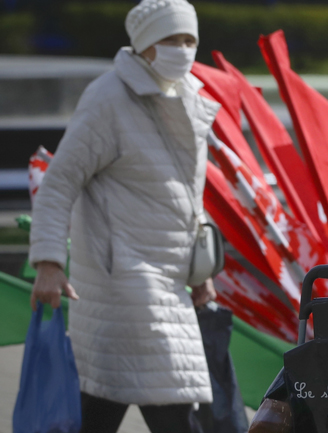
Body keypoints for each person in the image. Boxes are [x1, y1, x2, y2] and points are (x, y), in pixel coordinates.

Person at [27, 0, 219, 431]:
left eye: (190, 40)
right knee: (167, 397)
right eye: (171, 39)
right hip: (124, 283)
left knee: (104, 400)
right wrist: (49, 263)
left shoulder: (189, 96)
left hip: (168, 282)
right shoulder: (108, 97)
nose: (183, 50)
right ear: (146, 45)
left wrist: (199, 266)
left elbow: (186, 195)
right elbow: (59, 182)